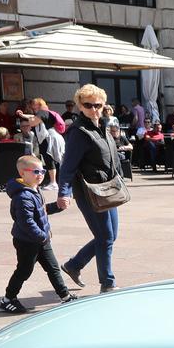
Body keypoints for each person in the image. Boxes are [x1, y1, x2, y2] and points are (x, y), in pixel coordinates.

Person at [58, 84, 124, 293]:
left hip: (108, 189)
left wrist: (120, 177)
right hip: (90, 192)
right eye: (88, 105)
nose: (94, 109)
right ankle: (108, 283)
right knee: (105, 237)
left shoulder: (103, 126)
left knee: (110, 236)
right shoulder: (78, 132)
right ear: (80, 106)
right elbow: (68, 166)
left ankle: (74, 265)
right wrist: (64, 193)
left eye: (98, 105)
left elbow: (111, 156)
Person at [0, 155, 77, 314]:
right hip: (27, 241)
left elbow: (40, 211)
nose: (40, 174)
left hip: (41, 239)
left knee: (53, 267)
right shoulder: (22, 196)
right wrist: (42, 236)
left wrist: (57, 206)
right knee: (24, 270)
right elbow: (26, 222)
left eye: (42, 170)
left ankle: (65, 296)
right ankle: (8, 299)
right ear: (22, 173)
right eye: (35, 171)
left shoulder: (34, 189)